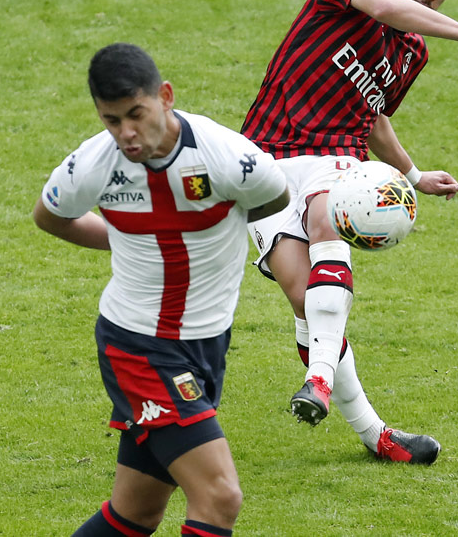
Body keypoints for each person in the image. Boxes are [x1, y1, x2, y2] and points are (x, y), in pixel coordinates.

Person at [240, 0, 458, 465]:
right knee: (307, 303)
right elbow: (387, 10)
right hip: (266, 159)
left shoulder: (412, 53)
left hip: (340, 160)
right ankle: (371, 429)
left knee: (325, 220)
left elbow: (373, 117)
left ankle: (326, 390)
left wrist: (414, 175)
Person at [33, 43, 289, 537]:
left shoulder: (226, 156)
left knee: (135, 512)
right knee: (219, 497)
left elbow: (274, 197)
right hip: (139, 348)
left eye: (136, 114)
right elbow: (51, 217)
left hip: (207, 343)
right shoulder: (93, 165)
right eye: (112, 120)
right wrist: (129, 241)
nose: (126, 134)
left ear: (165, 97)